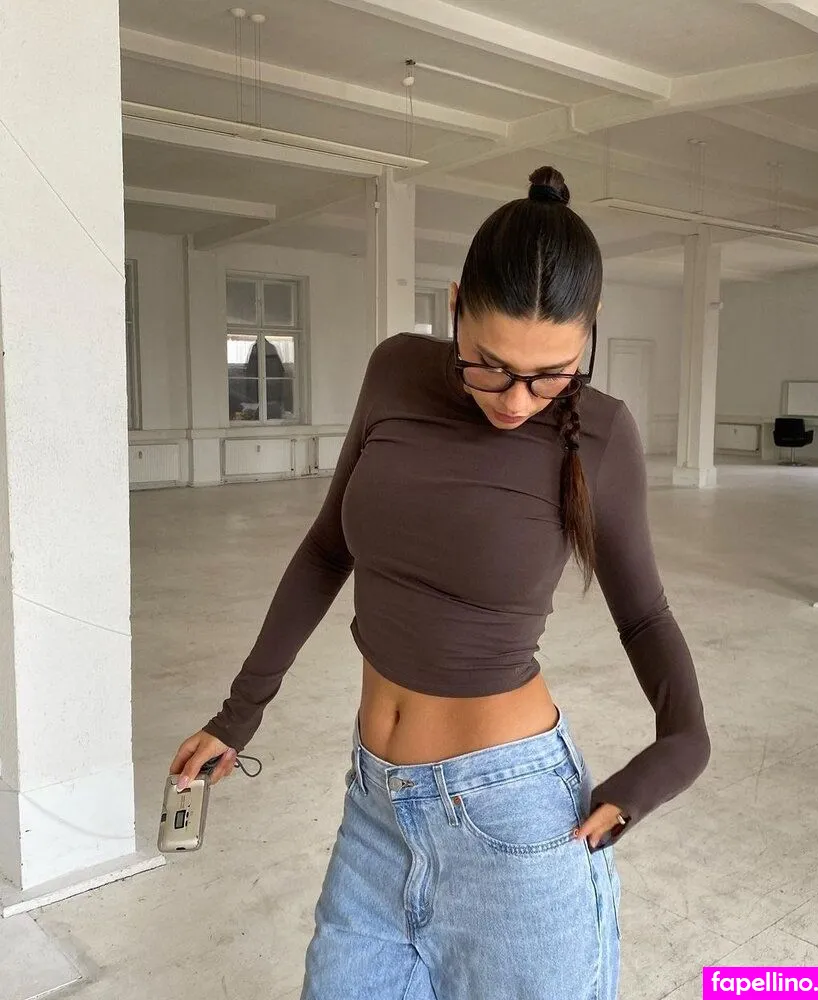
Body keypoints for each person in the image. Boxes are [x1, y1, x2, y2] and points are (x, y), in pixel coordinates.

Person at [170, 165, 711, 1000]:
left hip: (514, 816)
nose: (519, 401)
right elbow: (325, 549)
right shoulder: (395, 370)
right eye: (491, 366)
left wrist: (682, 742)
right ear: (455, 307)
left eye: (552, 373)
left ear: (589, 332)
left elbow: (644, 616)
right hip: (375, 806)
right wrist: (239, 712)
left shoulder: (603, 434)